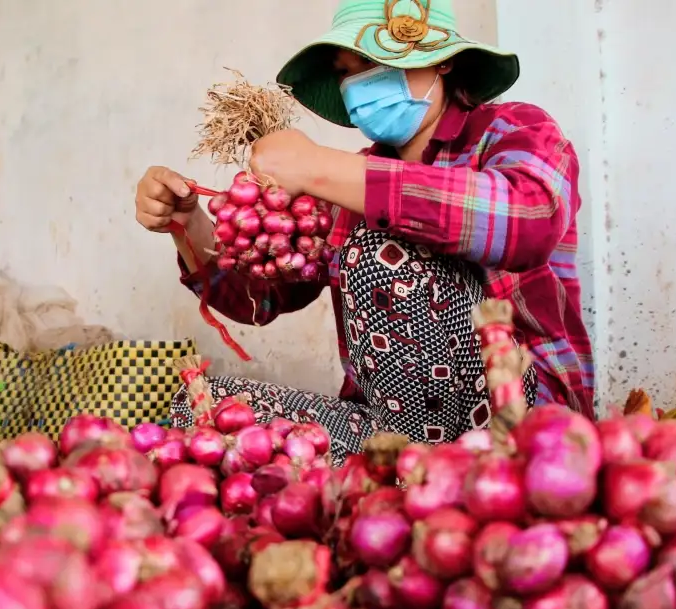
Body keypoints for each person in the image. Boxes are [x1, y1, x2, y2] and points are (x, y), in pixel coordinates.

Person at [135, 0, 593, 458]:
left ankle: (417, 484)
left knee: (380, 254)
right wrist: (189, 222)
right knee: (205, 411)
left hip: (518, 423)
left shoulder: (514, 129)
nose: (358, 84)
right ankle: (394, 476)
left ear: (443, 59)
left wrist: (317, 169)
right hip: (388, 427)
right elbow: (261, 299)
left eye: (373, 62)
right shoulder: (349, 179)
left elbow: (530, 219)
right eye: (346, 71)